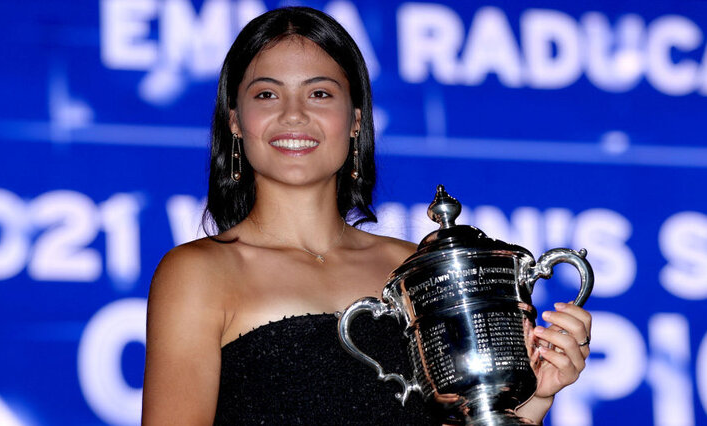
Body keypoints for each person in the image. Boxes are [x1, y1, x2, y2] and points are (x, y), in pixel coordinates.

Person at [141, 6, 592, 425]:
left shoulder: (416, 272)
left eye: (319, 93)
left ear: (356, 120)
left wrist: (532, 401)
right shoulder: (197, 274)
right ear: (235, 122)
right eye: (266, 94)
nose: (293, 115)